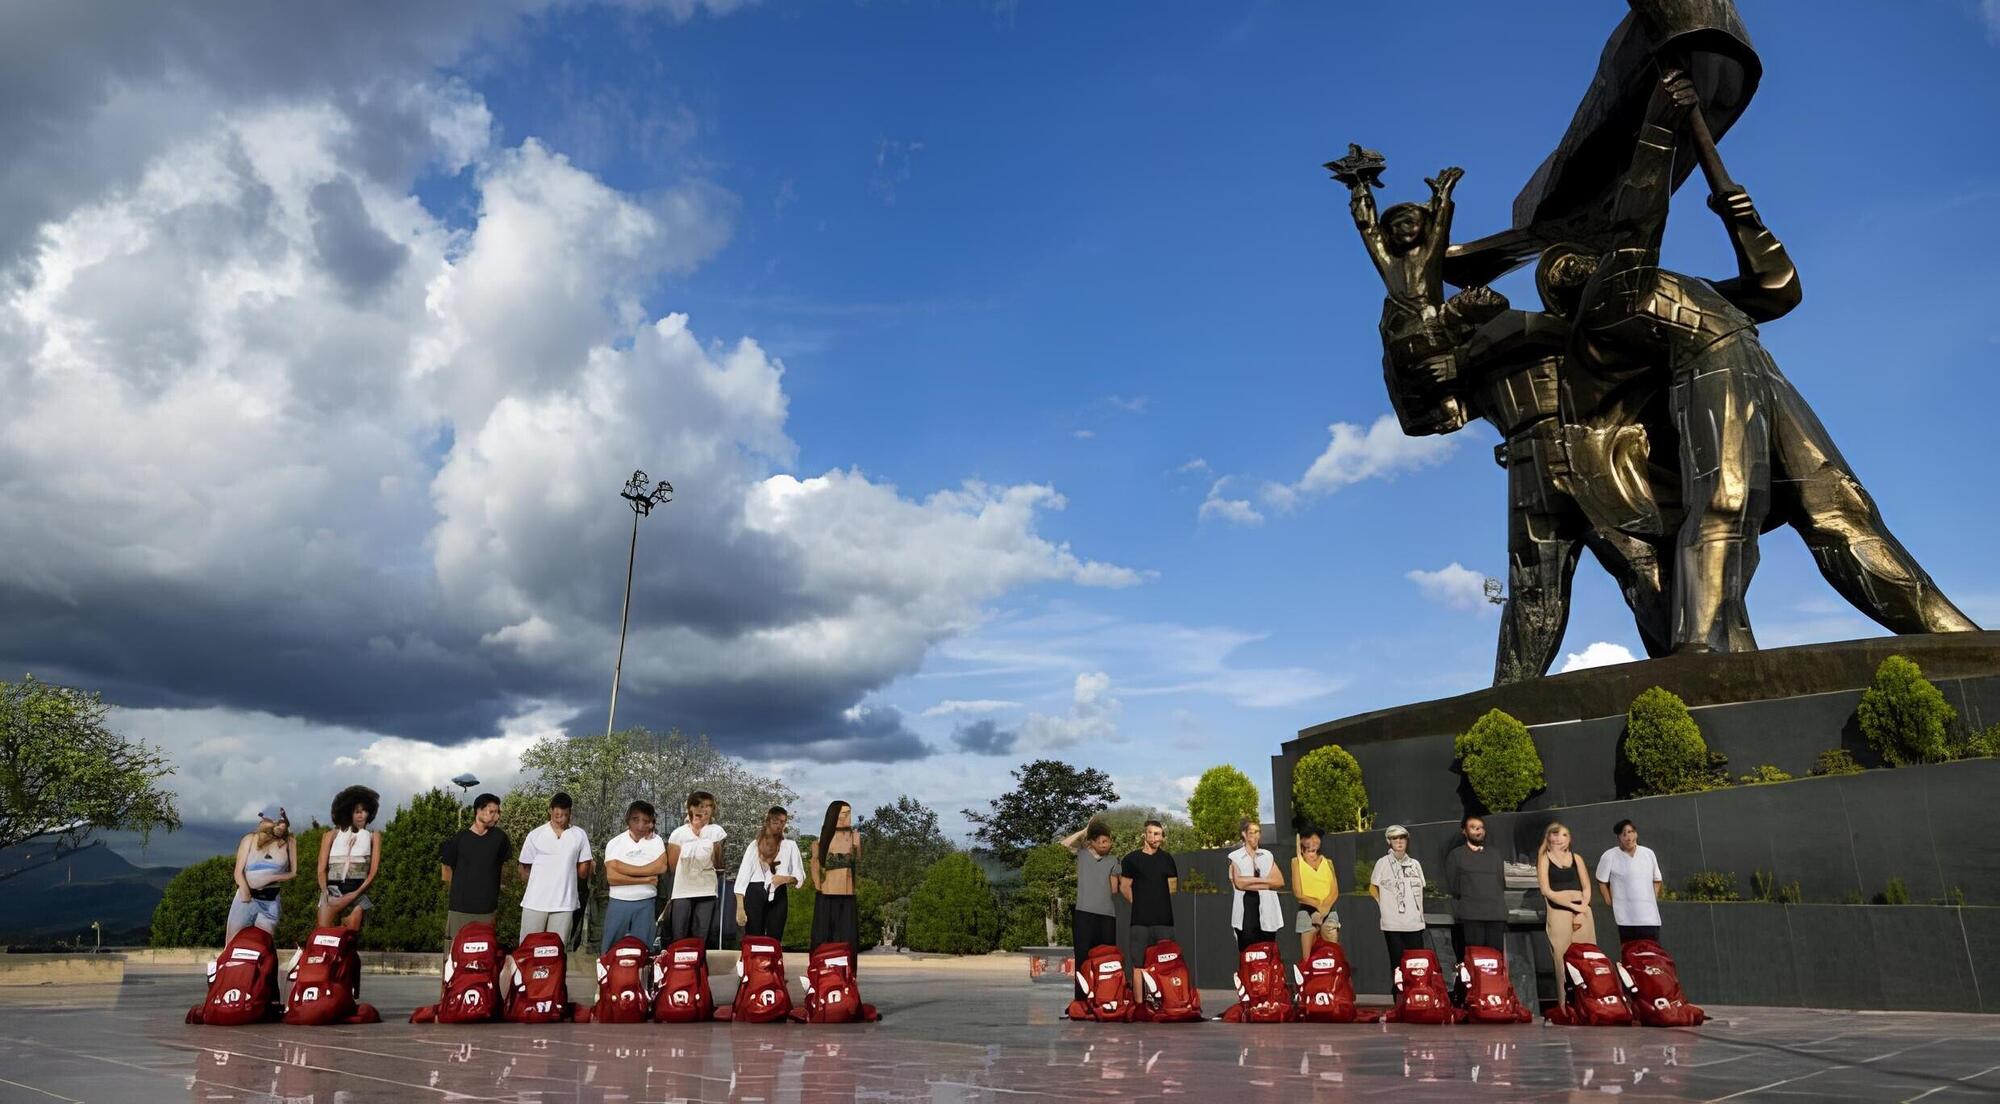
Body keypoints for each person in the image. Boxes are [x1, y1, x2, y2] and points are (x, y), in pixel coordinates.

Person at [517, 792, 592, 945]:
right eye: (556, 815)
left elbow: (584, 870)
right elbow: (523, 867)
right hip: (534, 903)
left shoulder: (579, 835)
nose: (560, 819)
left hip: (564, 904)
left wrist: (587, 867)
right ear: (550, 811)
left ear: (570, 813)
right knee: (528, 948)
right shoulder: (535, 835)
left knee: (557, 950)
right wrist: (536, 886)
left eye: (564, 815)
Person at [1061, 819, 1119, 1003]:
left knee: (1106, 959)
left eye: (1107, 841)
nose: (1105, 845)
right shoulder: (1083, 855)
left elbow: (1115, 889)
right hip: (1084, 915)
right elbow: (1065, 844)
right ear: (1092, 842)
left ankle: (1104, 996)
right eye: (1101, 841)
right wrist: (1086, 829)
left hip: (1108, 916)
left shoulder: (1114, 860)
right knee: (1083, 959)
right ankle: (1081, 1001)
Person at [439, 793, 510, 944]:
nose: (496, 816)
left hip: (487, 908)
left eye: (498, 812)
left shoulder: (500, 838)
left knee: (484, 953)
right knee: (456, 953)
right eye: (492, 812)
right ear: (478, 811)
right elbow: (446, 868)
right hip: (460, 907)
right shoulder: (461, 838)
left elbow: (505, 867)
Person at [1537, 821, 1596, 1000]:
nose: (1559, 839)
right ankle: (1565, 1004)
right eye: (1555, 834)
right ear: (1548, 838)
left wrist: (1582, 906)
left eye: (1564, 835)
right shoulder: (1544, 859)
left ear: (1569, 838)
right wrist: (1570, 905)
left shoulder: (1576, 858)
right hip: (1559, 911)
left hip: (1582, 911)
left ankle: (1589, 1000)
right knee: (1561, 959)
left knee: (1586, 955)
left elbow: (1586, 887)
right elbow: (1546, 890)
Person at [1119, 820, 1179, 989]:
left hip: (1164, 922)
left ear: (1163, 837)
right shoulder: (1131, 859)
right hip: (1140, 923)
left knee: (1166, 963)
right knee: (1139, 965)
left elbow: (1172, 888)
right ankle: (1139, 1005)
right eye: (1151, 833)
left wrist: (1157, 902)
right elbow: (1124, 887)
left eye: (1158, 833)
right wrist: (1140, 904)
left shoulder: (1168, 859)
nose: (1154, 837)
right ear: (1144, 835)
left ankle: (1163, 1005)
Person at [602, 801, 666, 952]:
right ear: (627, 819)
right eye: (636, 820)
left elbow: (661, 867)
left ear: (651, 822)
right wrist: (646, 878)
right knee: (611, 946)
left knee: (643, 948)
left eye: (645, 821)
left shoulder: (656, 841)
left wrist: (623, 868)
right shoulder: (615, 843)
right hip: (619, 901)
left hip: (646, 901)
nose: (640, 826)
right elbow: (612, 877)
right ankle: (607, 974)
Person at [1441, 814, 1507, 960]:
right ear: (1464, 831)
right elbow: (1453, 886)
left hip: (1495, 915)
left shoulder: (1495, 854)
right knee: (1476, 959)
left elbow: (1500, 881)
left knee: (1495, 960)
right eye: (1473, 827)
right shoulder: (1456, 855)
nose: (1478, 831)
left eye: (1481, 827)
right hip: (1472, 915)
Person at [666, 790, 728, 946]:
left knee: (702, 933)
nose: (705, 809)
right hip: (682, 890)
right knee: (679, 932)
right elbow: (672, 865)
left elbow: (719, 865)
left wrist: (713, 843)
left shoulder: (717, 831)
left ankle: (697, 966)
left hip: (706, 888)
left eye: (709, 806)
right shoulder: (678, 834)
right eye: (701, 805)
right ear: (691, 808)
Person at [226, 807, 296, 940]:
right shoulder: (250, 839)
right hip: (247, 899)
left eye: (283, 821)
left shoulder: (287, 843)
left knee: (262, 942)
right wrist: (246, 892)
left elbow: (293, 873)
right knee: (233, 942)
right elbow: (238, 872)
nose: (280, 825)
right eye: (276, 821)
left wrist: (271, 877)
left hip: (271, 901)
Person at [734, 806, 803, 940]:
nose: (779, 825)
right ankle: (752, 960)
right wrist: (740, 908)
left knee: (776, 936)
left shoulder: (790, 846)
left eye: (783, 822)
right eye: (776, 822)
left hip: (779, 892)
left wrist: (785, 879)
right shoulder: (754, 846)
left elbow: (799, 876)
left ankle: (773, 960)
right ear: (768, 821)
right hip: (755, 891)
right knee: (754, 936)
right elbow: (742, 877)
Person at [317, 787, 379, 931]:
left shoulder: (373, 836)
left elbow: (373, 871)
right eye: (356, 811)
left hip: (357, 889)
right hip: (332, 890)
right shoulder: (331, 835)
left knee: (351, 932)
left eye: (364, 810)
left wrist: (355, 893)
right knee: (322, 932)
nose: (361, 815)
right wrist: (325, 892)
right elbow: (321, 868)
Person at [810, 801, 862, 965]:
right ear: (834, 815)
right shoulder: (822, 839)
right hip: (827, 894)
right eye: (844, 813)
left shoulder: (854, 837)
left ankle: (848, 978)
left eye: (849, 813)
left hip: (847, 895)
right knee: (823, 938)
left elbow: (859, 864)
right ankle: (819, 974)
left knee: (848, 939)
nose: (848, 817)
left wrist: (857, 845)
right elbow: (815, 863)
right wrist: (819, 886)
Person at [1596, 819, 1664, 944]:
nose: (1628, 837)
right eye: (1624, 834)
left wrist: (1651, 898)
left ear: (1636, 833)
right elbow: (1601, 881)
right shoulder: (1609, 856)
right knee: (1630, 955)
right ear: (1618, 837)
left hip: (1649, 917)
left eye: (1631, 832)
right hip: (1625, 918)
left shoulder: (1648, 853)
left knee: (1652, 956)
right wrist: (1609, 901)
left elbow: (1657, 879)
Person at [1369, 824, 1428, 963]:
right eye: (1395, 838)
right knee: (1397, 964)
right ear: (1389, 841)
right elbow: (1372, 887)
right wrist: (1384, 907)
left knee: (1416, 963)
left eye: (1402, 838)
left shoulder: (1415, 864)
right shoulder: (1382, 863)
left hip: (1415, 923)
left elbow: (1421, 888)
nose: (1399, 841)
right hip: (1393, 924)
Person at [1227, 818, 1284, 953]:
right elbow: (1240, 883)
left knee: (1268, 953)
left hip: (1268, 910)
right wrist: (1267, 882)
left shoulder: (1267, 855)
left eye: (1257, 832)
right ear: (1244, 834)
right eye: (1251, 832)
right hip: (1246, 910)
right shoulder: (1235, 857)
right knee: (1247, 954)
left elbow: (1279, 881)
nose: (1255, 836)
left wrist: (1251, 881)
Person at [1290, 824, 1339, 958]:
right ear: (1302, 841)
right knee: (1308, 956)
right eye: (1309, 838)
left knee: (1332, 953)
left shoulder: (1328, 862)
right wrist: (1317, 906)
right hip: (1307, 910)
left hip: (1328, 910)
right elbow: (1299, 894)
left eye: (1316, 838)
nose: (1313, 841)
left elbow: (1334, 890)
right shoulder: (1296, 862)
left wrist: (1324, 909)